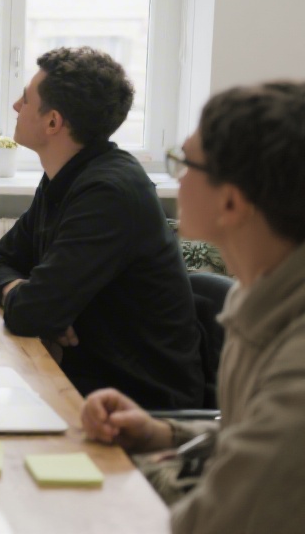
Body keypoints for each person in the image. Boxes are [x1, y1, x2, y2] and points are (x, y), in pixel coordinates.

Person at [82, 81, 305, 533]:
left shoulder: (296, 367)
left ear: (230, 202)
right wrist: (162, 433)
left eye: (185, 163)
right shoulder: (261, 292)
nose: (177, 178)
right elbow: (251, 436)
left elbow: (211, 523)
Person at [0, 47, 203, 409]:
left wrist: (36, 304)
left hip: (134, 403)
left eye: (26, 99)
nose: (16, 106)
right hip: (80, 377)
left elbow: (33, 313)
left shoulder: (109, 193)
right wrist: (20, 289)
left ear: (53, 122)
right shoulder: (65, 175)